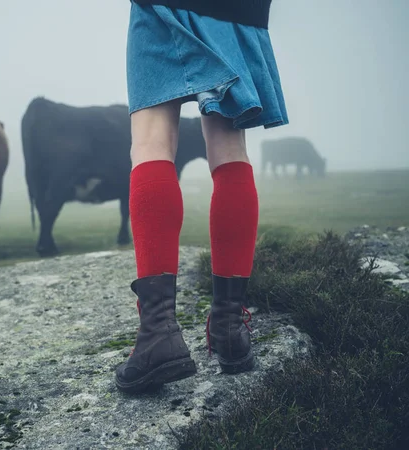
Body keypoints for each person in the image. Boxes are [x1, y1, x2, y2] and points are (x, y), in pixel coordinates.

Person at [115, 0, 288, 394]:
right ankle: (230, 331)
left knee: (151, 142)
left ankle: (158, 332)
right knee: (229, 149)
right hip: (238, 10)